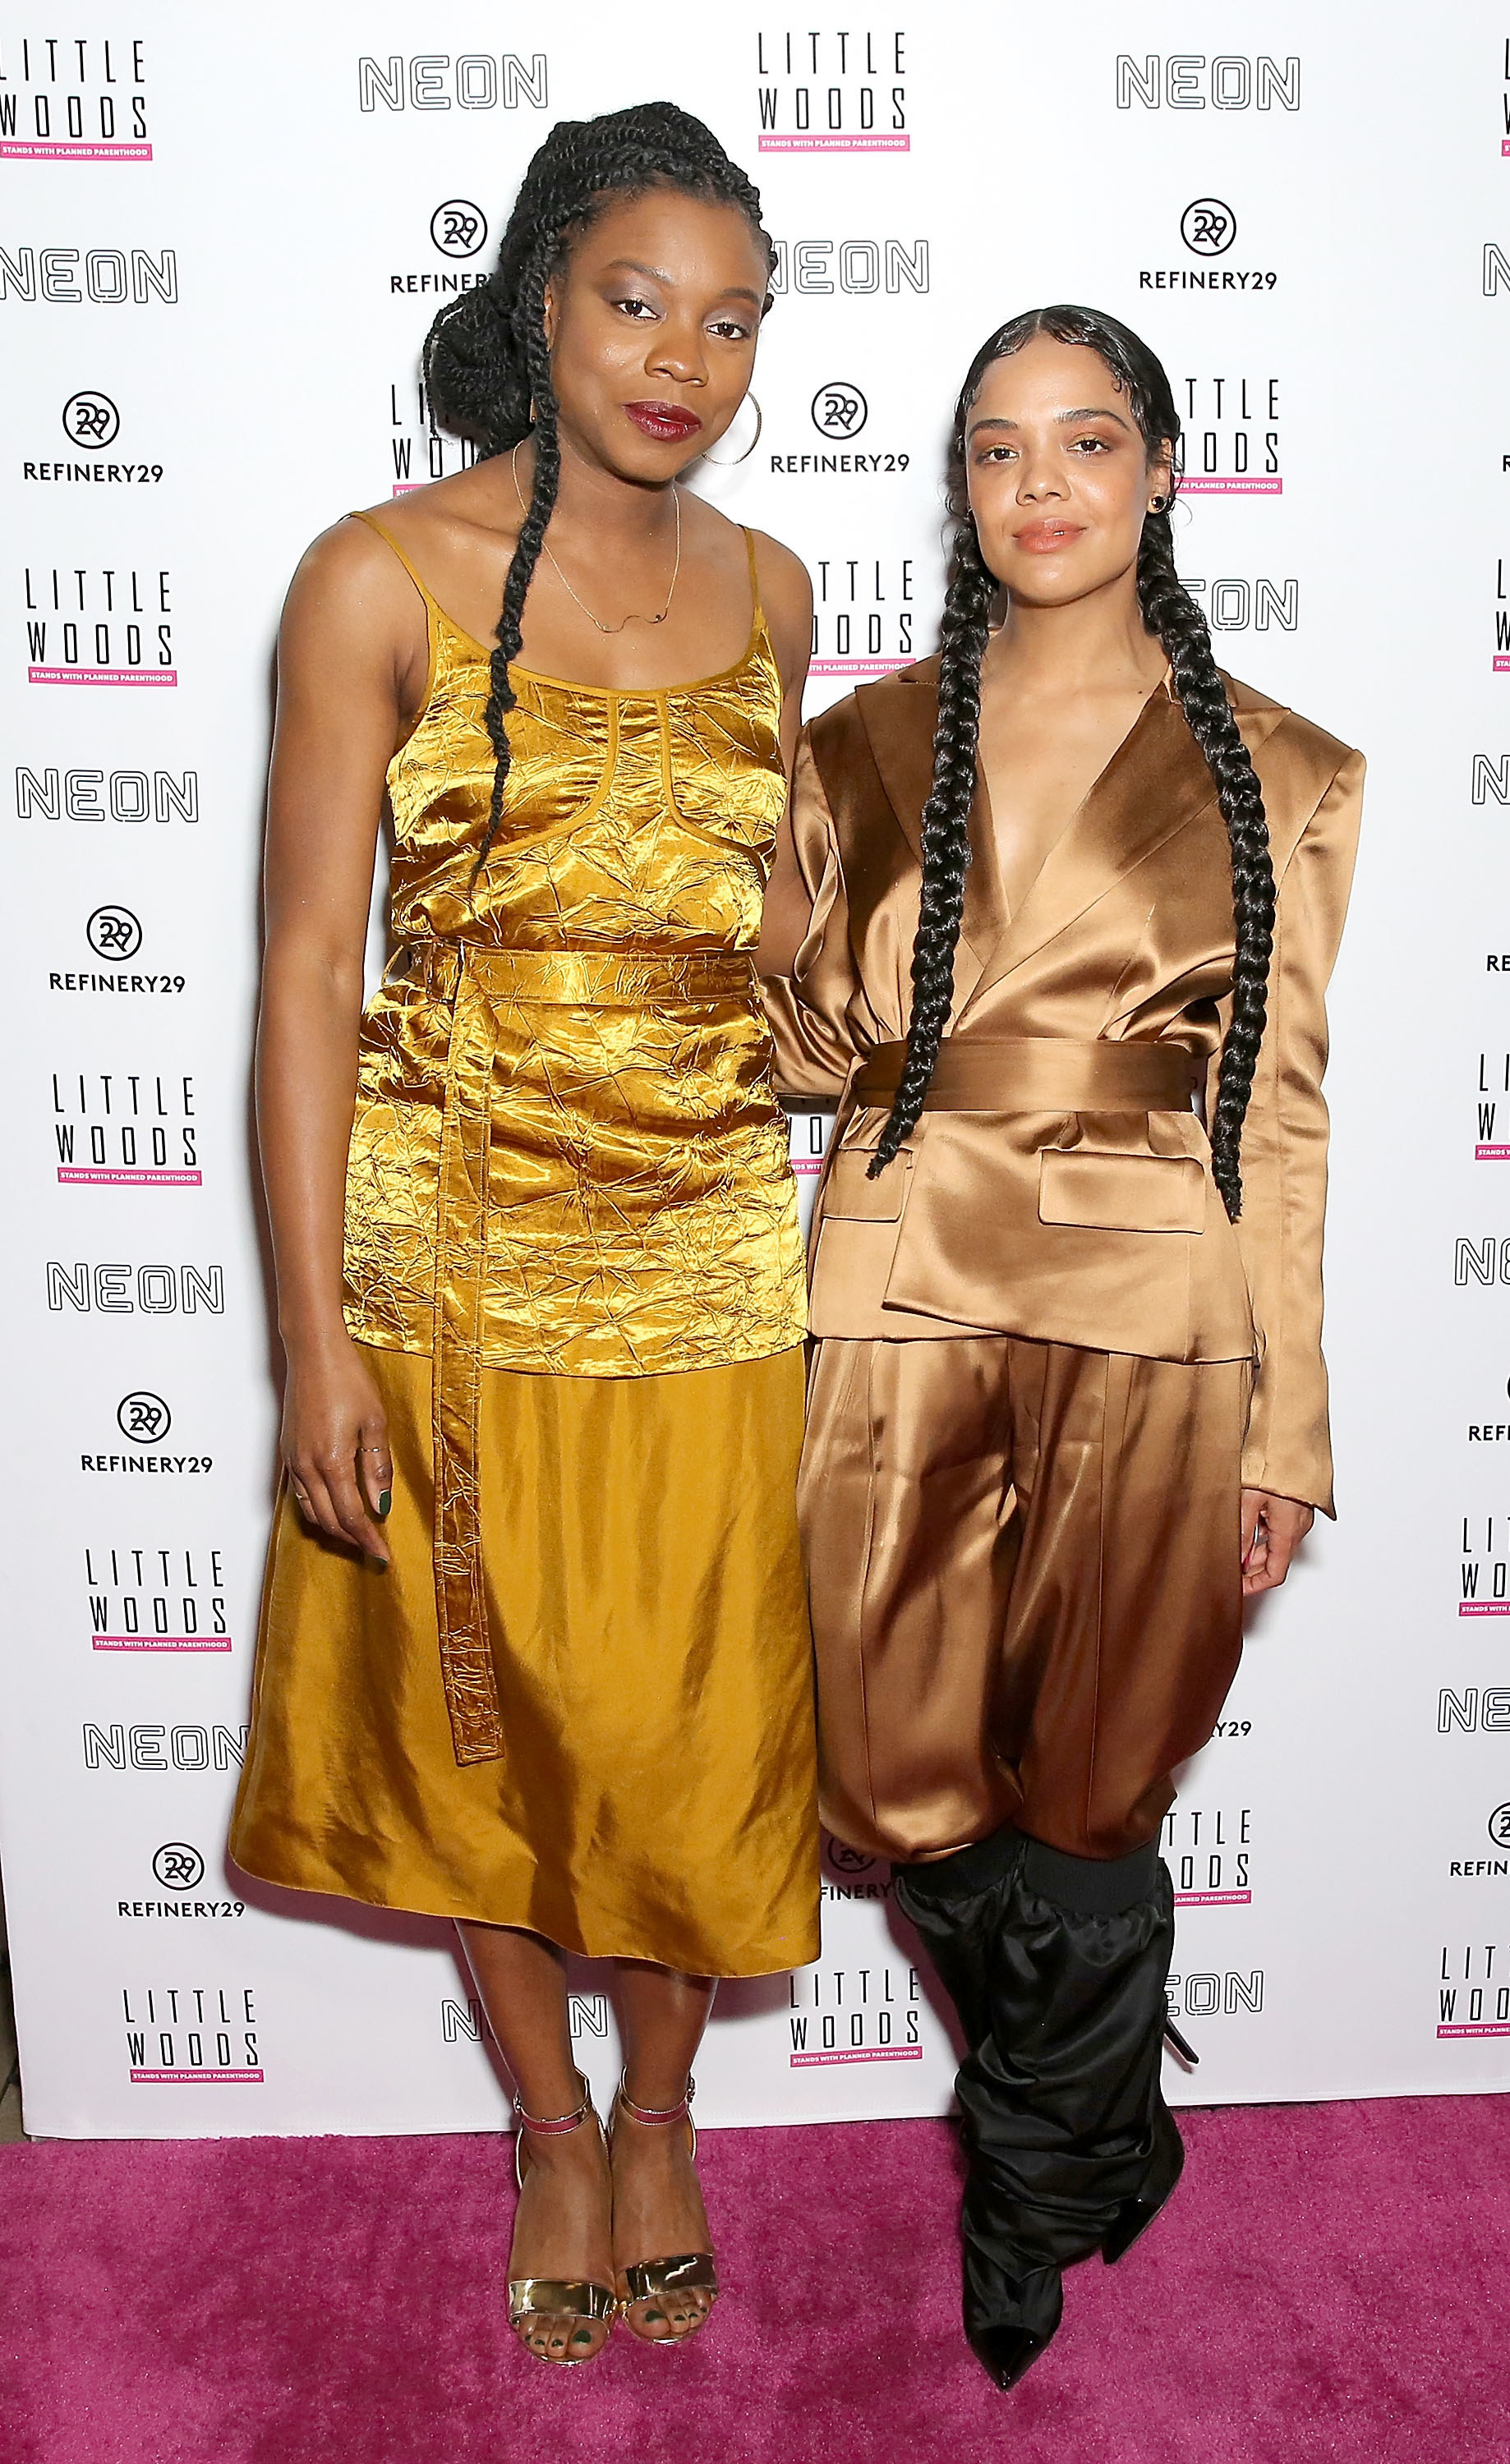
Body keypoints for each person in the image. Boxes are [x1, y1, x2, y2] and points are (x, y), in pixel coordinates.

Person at [229, 103, 820, 2367]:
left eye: (734, 318)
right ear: (542, 293)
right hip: (450, 1255)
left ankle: (663, 2104)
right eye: (638, 299)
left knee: (679, 1727)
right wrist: (316, 1343)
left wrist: (815, 960)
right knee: (485, 1742)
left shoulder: (773, 590)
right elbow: (304, 973)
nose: (686, 354)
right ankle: (549, 2123)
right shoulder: (372, 576)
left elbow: (789, 982)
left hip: (699, 1252)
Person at [758, 306, 1363, 2388]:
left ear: (1163, 471)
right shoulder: (854, 738)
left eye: (1086, 442)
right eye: (998, 448)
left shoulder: (1279, 772)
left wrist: (1287, 1419)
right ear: (959, 486)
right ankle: (1108, 2114)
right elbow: (796, 1048)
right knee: (891, 1777)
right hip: (894, 1285)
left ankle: (1033, 2175)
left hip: (1148, 1316)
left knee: (1098, 1793)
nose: (1039, 485)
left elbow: (1275, 1119)